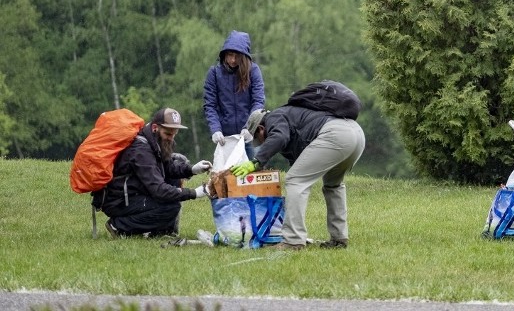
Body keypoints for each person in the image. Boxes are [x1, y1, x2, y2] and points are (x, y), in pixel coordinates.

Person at [231, 99, 366, 251]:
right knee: (333, 184)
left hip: (335, 135)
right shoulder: (290, 118)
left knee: (295, 181)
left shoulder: (275, 117)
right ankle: (339, 238)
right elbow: (299, 160)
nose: (261, 143)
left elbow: (279, 137)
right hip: (356, 134)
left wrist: (256, 161)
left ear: (261, 128)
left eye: (258, 139)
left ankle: (293, 241)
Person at [99, 108, 212, 237]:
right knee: (170, 207)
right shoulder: (141, 150)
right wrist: (194, 193)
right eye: (168, 134)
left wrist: (191, 169)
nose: (171, 138)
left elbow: (168, 169)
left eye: (174, 134)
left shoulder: (157, 141)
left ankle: (164, 231)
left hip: (134, 191)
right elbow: (159, 190)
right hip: (118, 200)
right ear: (155, 128)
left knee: (173, 182)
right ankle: (119, 225)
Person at [203, 30, 266, 158]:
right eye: (230, 55)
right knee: (226, 176)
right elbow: (210, 105)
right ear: (224, 54)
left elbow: (258, 101)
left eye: (237, 56)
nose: (233, 60)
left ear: (244, 56)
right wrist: (216, 130)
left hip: (247, 138)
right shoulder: (214, 73)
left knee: (249, 175)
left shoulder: (253, 71)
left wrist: (250, 127)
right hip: (225, 139)